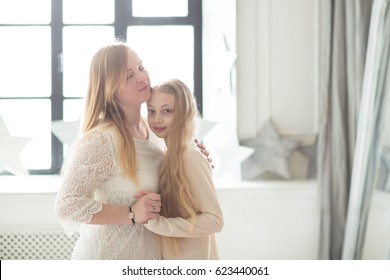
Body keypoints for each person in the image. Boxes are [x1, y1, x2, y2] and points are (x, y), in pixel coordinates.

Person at [55, 42, 210, 260]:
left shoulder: (155, 130)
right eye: (128, 75)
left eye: (141, 67)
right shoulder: (101, 141)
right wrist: (130, 213)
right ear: (109, 89)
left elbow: (169, 186)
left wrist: (192, 163)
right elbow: (67, 205)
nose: (142, 77)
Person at [143, 79, 224, 259]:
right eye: (151, 111)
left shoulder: (190, 156)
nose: (157, 119)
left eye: (167, 111)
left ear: (184, 113)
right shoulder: (169, 154)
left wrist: (160, 224)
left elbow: (215, 220)